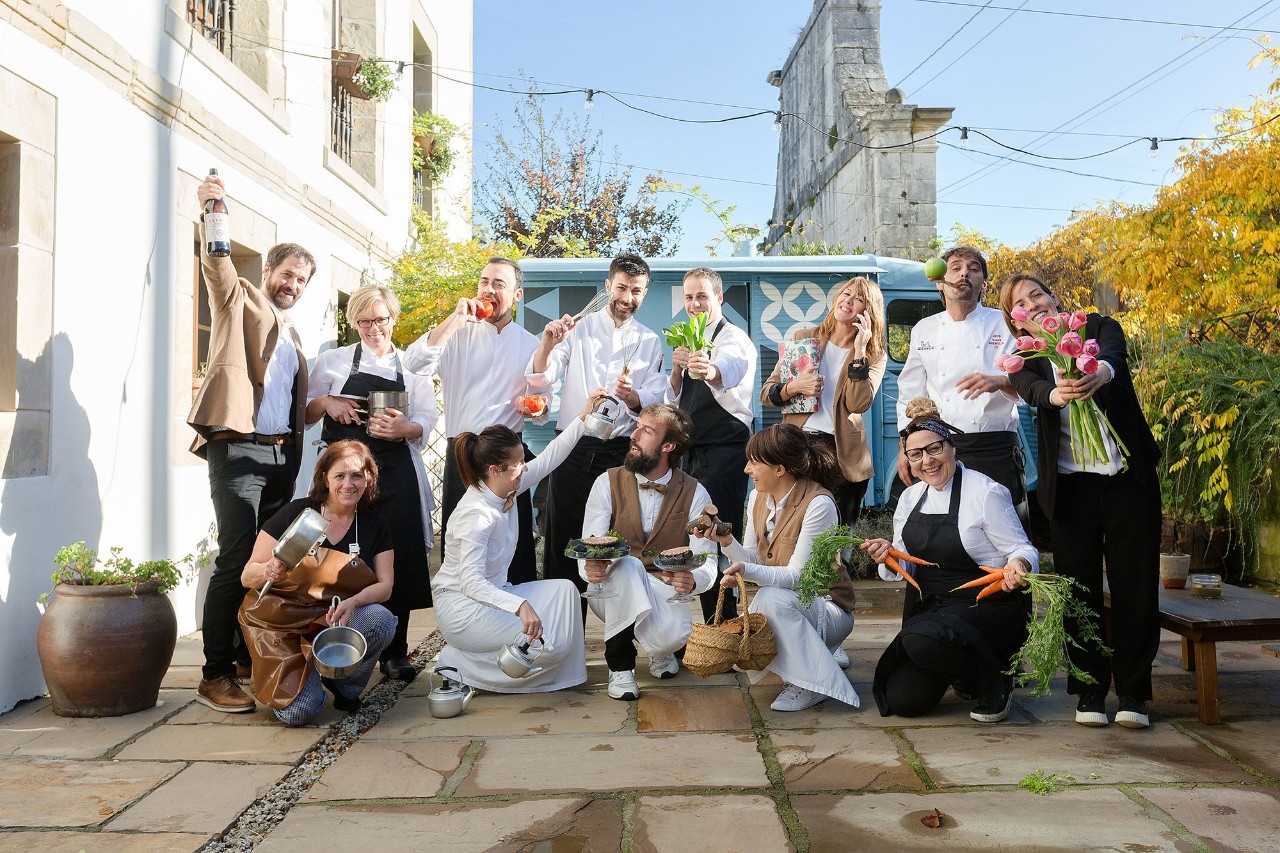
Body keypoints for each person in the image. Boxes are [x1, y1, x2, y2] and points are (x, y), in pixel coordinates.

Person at [999, 274, 1161, 729]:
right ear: (1018, 321)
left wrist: (1096, 374)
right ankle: (1089, 690)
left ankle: (1133, 692)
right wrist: (1055, 393)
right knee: (1078, 590)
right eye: (1022, 304)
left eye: (1038, 295)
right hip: (1071, 487)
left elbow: (1114, 359)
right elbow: (1030, 390)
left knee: (1136, 584)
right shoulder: (1025, 357)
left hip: (1129, 480)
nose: (1034, 305)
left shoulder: (1096, 326)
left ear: (1053, 298)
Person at [188, 172, 316, 714]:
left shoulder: (294, 334)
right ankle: (214, 673)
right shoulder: (239, 299)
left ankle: (246, 654)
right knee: (236, 556)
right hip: (238, 448)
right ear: (267, 271)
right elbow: (217, 264)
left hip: (282, 456)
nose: (293, 284)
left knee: (273, 558)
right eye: (287, 274)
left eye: (302, 279)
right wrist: (215, 207)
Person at [863, 399, 1037, 723]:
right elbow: (906, 564)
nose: (927, 461)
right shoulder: (910, 499)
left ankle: (995, 676)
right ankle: (966, 671)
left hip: (987, 606)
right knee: (904, 699)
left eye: (934, 449)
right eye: (916, 454)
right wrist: (887, 557)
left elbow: (1023, 549)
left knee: (918, 640)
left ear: (952, 447)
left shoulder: (985, 493)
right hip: (934, 609)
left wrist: (1019, 567)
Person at [306, 284, 438, 683]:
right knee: (337, 554)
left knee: (397, 556)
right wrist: (331, 402)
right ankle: (332, 641)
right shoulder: (332, 361)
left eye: (380, 319)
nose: (373, 328)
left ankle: (395, 650)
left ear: (392, 318)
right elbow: (307, 411)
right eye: (364, 321)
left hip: (395, 474)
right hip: (343, 473)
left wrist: (405, 426)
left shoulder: (413, 374)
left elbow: (426, 424)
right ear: (354, 323)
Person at [432, 393, 606, 693]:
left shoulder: (506, 487)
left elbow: (552, 457)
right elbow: (471, 583)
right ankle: (458, 664)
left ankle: (567, 676)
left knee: (566, 590)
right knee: (550, 639)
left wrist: (583, 416)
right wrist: (520, 606)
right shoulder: (475, 515)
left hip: (496, 594)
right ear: (494, 470)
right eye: (518, 463)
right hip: (463, 611)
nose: (525, 468)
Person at [527, 253, 668, 604]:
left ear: (645, 293)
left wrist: (633, 396)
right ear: (607, 287)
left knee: (618, 538)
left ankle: (617, 637)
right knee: (565, 536)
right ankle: (565, 630)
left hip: (621, 451)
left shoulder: (649, 340)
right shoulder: (579, 329)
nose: (627, 297)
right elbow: (544, 376)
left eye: (636, 291)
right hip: (574, 447)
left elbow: (658, 401)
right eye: (621, 287)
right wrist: (547, 343)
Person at [697, 423, 861, 712]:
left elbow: (796, 576)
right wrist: (726, 541)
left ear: (779, 469)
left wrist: (745, 571)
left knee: (770, 599)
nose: (747, 469)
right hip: (795, 605)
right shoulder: (758, 498)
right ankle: (816, 657)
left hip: (828, 608)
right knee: (769, 599)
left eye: (753, 462)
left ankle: (811, 685)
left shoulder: (819, 504)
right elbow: (753, 558)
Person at [237, 440, 396, 726]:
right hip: (284, 624)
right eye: (340, 475)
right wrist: (269, 569)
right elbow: (247, 575)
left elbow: (385, 586)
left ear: (368, 478)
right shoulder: (296, 514)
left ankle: (344, 683)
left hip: (334, 619)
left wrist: (353, 602)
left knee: (382, 620)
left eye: (357, 475)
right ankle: (309, 683)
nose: (349, 484)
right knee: (299, 713)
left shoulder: (375, 524)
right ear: (325, 477)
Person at [403, 257, 542, 585]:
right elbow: (414, 363)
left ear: (517, 295)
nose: (488, 289)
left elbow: (545, 402)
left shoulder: (530, 343)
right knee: (463, 546)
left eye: (499, 284)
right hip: (462, 451)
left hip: (510, 456)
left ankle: (518, 620)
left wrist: (535, 408)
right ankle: (463, 620)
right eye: (484, 282)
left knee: (513, 544)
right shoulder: (456, 332)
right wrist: (455, 318)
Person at [579, 404, 717, 700]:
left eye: (646, 431)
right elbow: (587, 545)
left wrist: (694, 581)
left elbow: (707, 560)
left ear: (668, 446)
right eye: (636, 426)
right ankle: (620, 666)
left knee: (670, 637)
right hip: (612, 588)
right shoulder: (606, 483)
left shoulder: (696, 492)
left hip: (662, 589)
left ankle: (661, 649)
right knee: (628, 567)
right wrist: (589, 569)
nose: (634, 435)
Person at [895, 247, 1025, 510]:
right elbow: (910, 393)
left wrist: (999, 381)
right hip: (942, 447)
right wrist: (905, 447)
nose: (964, 272)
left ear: (984, 284)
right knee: (947, 532)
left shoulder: (1005, 323)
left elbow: (1028, 386)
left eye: (973, 269)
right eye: (955, 267)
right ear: (940, 284)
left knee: (1005, 531)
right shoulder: (925, 329)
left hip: (996, 447)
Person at [666, 267, 757, 625]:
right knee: (695, 541)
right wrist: (676, 371)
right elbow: (673, 400)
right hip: (689, 455)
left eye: (702, 296)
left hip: (724, 452)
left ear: (719, 298)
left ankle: (732, 627)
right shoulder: (687, 339)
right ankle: (710, 628)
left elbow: (730, 367)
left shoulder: (733, 338)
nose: (694, 303)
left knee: (721, 538)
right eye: (688, 297)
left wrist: (710, 368)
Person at [760, 277, 888, 526]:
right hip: (797, 444)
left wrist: (859, 353)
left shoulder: (873, 354)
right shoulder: (804, 339)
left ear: (868, 312)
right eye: (846, 294)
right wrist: (794, 387)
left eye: (859, 299)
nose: (848, 301)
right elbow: (767, 394)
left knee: (836, 537)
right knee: (790, 525)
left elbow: (857, 404)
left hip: (841, 452)